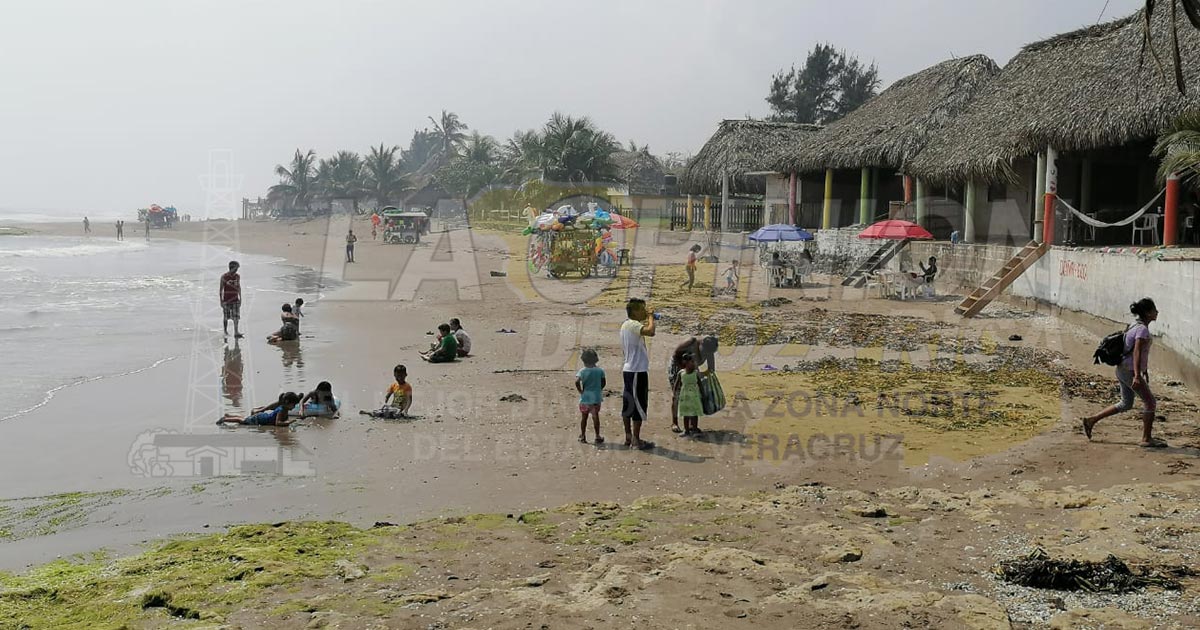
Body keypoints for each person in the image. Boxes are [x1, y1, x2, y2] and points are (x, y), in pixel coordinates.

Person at [1082, 298, 1165, 448]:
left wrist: (1143, 370)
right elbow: (1137, 351)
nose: (1157, 312)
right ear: (1147, 313)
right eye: (1154, 310)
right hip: (1130, 371)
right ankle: (1146, 439)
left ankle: (1091, 420)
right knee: (1150, 402)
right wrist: (1137, 376)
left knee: (1126, 403)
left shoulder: (1134, 325)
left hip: (1122, 369)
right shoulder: (1142, 330)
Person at [620, 298, 655, 450]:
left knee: (628, 405)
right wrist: (651, 317)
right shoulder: (633, 324)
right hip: (636, 370)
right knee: (638, 406)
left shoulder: (625, 325)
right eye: (642, 309)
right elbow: (651, 332)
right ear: (634, 311)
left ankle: (629, 437)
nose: (644, 311)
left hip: (629, 369)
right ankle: (636, 439)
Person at [575, 348, 606, 444]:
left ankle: (583, 436)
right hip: (596, 398)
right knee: (595, 417)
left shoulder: (582, 371)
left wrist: (580, 391)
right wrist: (599, 389)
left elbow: (576, 382)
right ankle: (597, 436)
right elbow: (604, 382)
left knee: (584, 418)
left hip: (585, 398)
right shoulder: (600, 370)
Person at [219, 392, 300, 426]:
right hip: (259, 419)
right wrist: (288, 422)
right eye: (293, 405)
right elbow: (277, 423)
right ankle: (225, 419)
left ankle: (229, 415)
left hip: (262, 416)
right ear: (287, 403)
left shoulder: (284, 409)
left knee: (245, 418)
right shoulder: (281, 410)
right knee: (242, 421)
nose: (294, 407)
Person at [677, 352, 704, 436]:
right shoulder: (681, 373)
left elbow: (700, 384)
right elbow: (677, 384)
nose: (694, 364)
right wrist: (675, 393)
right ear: (686, 363)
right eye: (692, 362)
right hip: (684, 396)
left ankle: (695, 429)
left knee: (694, 413)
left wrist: (702, 393)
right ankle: (686, 430)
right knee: (685, 414)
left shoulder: (695, 373)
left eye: (694, 362)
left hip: (694, 396)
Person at [220, 261, 243, 339]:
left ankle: (236, 332)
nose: (237, 270)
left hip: (235, 299)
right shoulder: (224, 277)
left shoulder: (237, 276)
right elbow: (221, 289)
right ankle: (225, 331)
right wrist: (221, 301)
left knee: (236, 317)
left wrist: (240, 298)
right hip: (226, 300)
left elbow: (239, 287)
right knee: (226, 317)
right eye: (236, 268)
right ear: (232, 267)